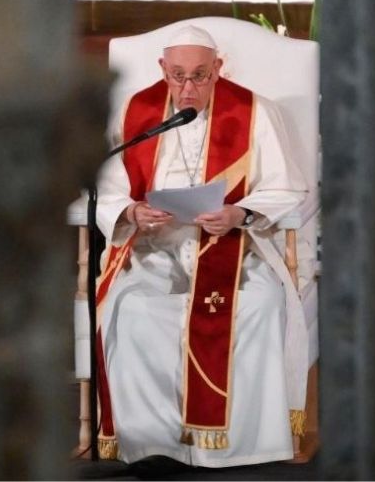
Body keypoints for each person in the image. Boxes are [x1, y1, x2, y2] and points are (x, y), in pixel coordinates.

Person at [92, 25, 310, 468]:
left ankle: (246, 444)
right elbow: (109, 186)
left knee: (263, 302)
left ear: (218, 70)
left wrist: (241, 214)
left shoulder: (255, 112)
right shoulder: (136, 112)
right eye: (177, 76)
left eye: (199, 76)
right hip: (157, 245)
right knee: (132, 307)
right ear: (162, 70)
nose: (188, 88)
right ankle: (155, 444)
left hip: (233, 245)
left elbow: (288, 189)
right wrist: (132, 212)